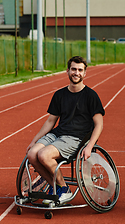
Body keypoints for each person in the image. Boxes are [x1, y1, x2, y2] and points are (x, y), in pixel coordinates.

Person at [26, 56, 105, 203]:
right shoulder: (60, 95)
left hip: (77, 138)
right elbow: (51, 121)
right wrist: (34, 140)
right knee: (31, 154)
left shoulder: (91, 96)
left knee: (43, 155)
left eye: (80, 70)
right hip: (58, 134)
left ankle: (64, 188)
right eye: (73, 69)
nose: (76, 73)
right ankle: (55, 187)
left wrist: (89, 146)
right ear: (67, 71)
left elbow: (99, 124)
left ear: (85, 73)